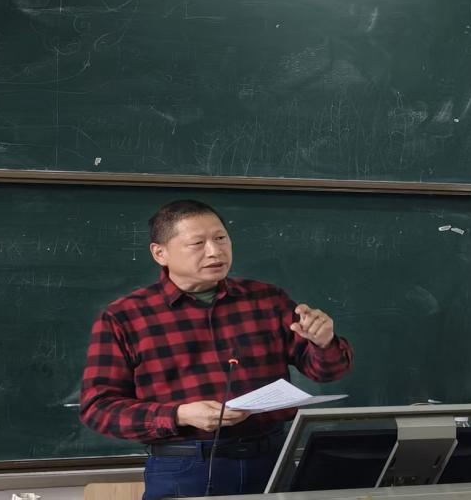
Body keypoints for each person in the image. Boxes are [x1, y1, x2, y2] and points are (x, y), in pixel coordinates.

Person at [80, 199, 353, 499]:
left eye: (221, 238)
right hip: (184, 465)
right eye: (197, 243)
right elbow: (99, 409)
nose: (215, 251)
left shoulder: (266, 299)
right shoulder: (125, 317)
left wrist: (323, 342)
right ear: (160, 253)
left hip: (271, 459)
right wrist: (179, 414)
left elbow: (327, 372)